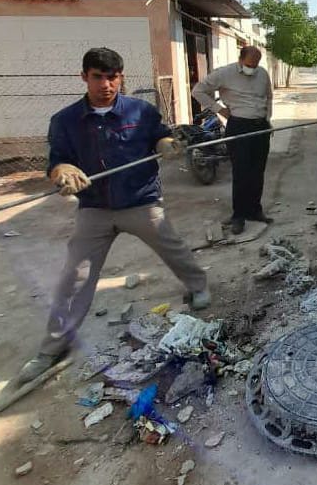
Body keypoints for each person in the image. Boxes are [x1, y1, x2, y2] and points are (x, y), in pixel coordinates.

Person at [18, 48, 210, 383]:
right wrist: (63, 172)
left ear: (121, 77)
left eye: (112, 76)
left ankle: (198, 287)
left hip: (140, 202)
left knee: (173, 247)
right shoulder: (65, 121)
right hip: (95, 208)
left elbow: (160, 135)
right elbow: (55, 162)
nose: (106, 84)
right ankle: (51, 349)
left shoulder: (141, 111)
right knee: (73, 277)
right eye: (98, 76)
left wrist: (166, 144)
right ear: (84, 77)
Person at [191, 46, 273, 233]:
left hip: (260, 127)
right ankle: (239, 216)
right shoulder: (224, 73)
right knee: (241, 172)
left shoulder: (262, 74)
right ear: (240, 59)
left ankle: (255, 210)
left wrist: (268, 120)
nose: (253, 68)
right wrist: (219, 109)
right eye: (250, 64)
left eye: (256, 64)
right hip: (239, 125)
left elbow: (268, 96)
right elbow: (198, 91)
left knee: (257, 171)